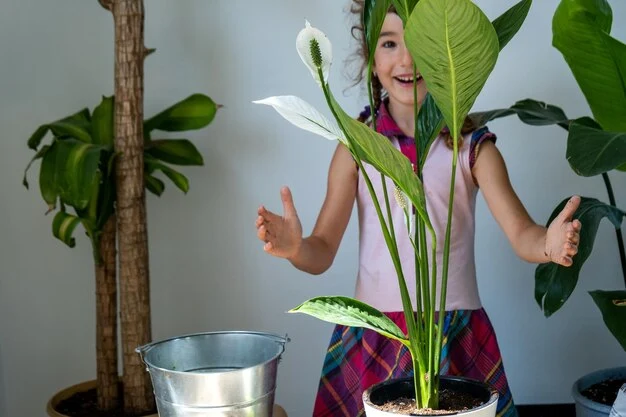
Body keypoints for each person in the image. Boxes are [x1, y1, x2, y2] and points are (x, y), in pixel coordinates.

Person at [255, 3, 582, 417]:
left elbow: (523, 235)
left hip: (454, 335)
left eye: (421, 43)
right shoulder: (354, 148)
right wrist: (295, 247)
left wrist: (548, 245)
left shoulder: (474, 149)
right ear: (370, 59)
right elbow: (321, 251)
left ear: (447, 56)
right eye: (390, 43)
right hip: (375, 336)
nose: (407, 59)